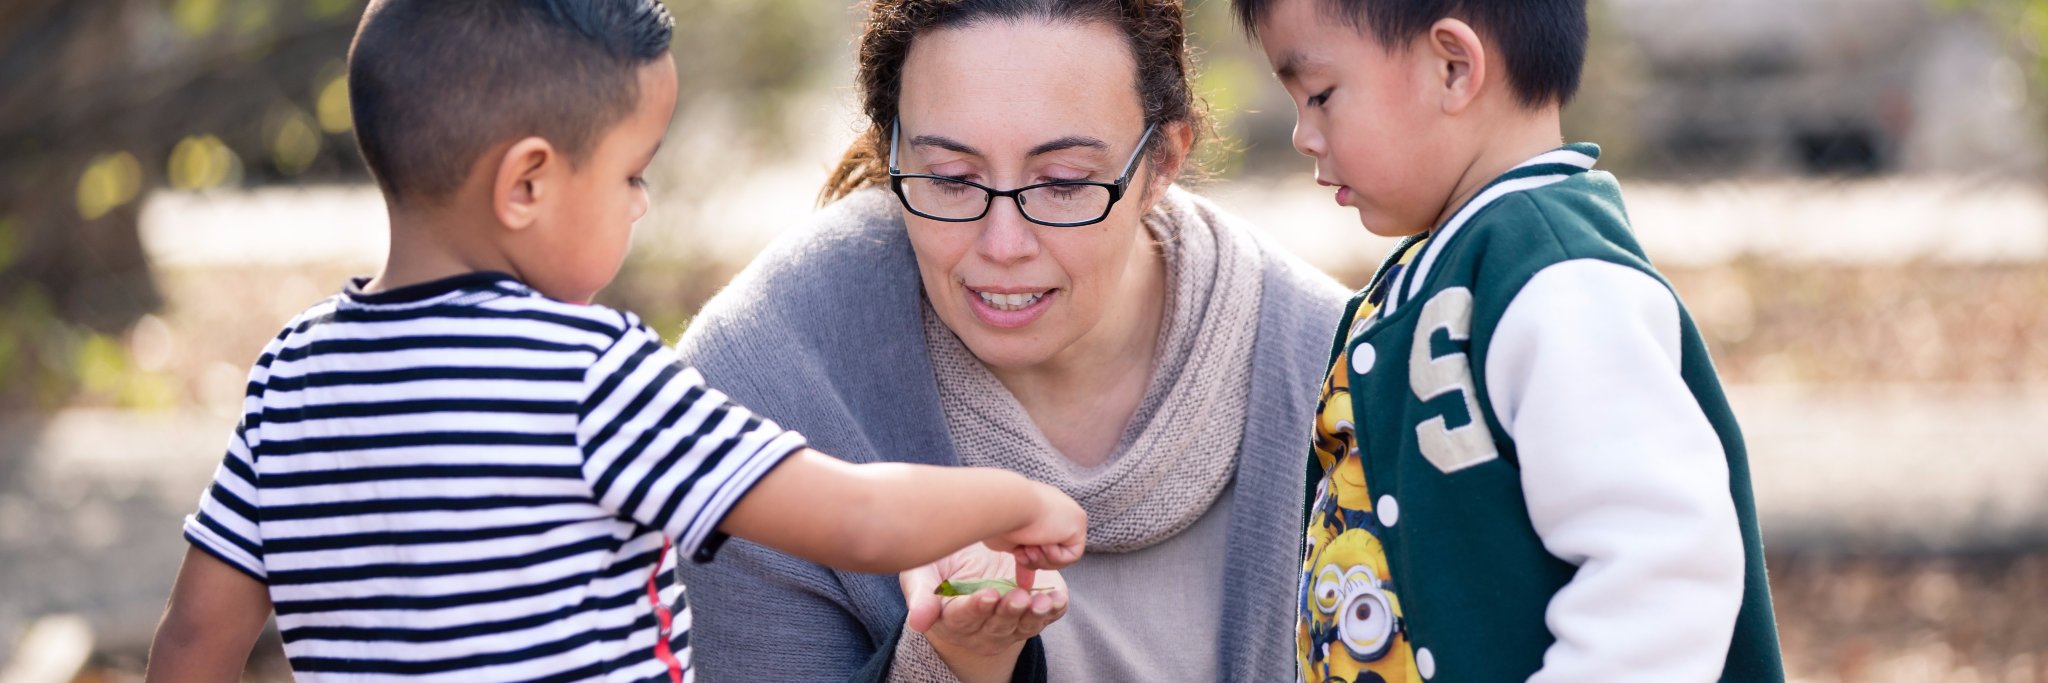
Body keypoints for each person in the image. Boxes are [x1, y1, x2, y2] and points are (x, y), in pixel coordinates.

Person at [141, 2, 1088, 681]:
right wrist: (1015, 496)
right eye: (631, 174)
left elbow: (193, 639)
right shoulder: (589, 376)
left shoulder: (291, 377)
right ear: (527, 185)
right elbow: (855, 517)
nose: (640, 203)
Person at [667, 1, 1350, 680]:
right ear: (892, 148)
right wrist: (952, 661)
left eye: (1063, 183)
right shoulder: (754, 389)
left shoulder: (1342, 368)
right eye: (950, 178)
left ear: (1163, 160)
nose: (1003, 244)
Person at [1229, 0, 1788, 680]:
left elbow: (1662, 573)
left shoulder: (1559, 284)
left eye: (1319, 94)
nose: (1302, 136)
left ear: (1453, 68)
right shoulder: (1447, 264)